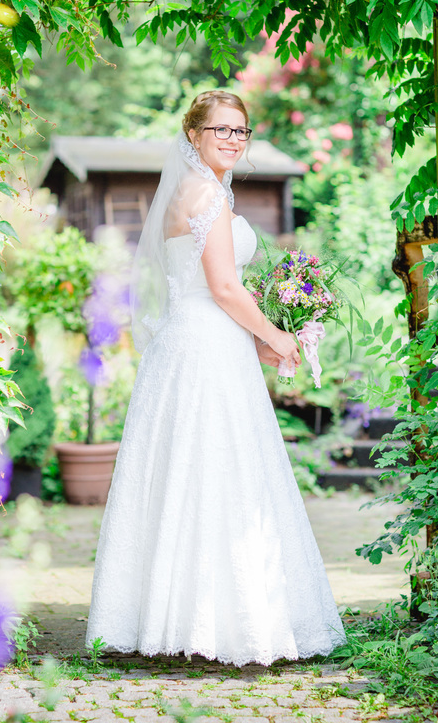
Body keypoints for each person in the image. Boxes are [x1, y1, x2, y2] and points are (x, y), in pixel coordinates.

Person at [85, 90, 346, 665]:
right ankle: (220, 621)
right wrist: (276, 335)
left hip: (197, 342)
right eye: (221, 130)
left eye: (241, 131)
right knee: (219, 472)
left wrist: (258, 337)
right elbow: (226, 290)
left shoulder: (198, 190)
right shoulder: (205, 192)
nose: (232, 139)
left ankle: (180, 618)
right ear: (195, 136)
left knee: (194, 475)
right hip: (204, 349)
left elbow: (216, 288)